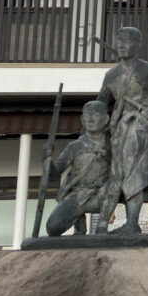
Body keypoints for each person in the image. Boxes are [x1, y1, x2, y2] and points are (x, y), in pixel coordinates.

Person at [96, 27, 148, 235]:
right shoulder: (111, 74)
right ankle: (102, 224)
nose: (122, 45)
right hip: (119, 129)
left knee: (137, 176)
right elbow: (101, 103)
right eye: (119, 41)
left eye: (127, 41)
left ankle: (132, 222)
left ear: (138, 44)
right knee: (115, 176)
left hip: (143, 127)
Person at [43, 100, 112, 236]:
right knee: (53, 228)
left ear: (106, 119)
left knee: (114, 189)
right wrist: (46, 160)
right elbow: (54, 175)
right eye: (87, 115)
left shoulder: (113, 143)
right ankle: (80, 226)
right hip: (79, 194)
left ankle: (102, 227)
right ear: (82, 119)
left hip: (105, 193)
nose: (90, 120)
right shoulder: (74, 146)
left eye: (96, 115)